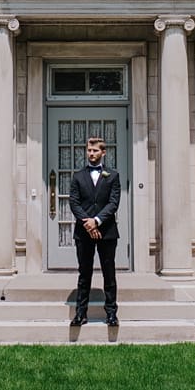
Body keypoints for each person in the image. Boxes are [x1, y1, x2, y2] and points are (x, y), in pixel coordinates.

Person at [69, 136, 121, 327]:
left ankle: (111, 314)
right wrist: (88, 224)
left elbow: (113, 203)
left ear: (103, 152)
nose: (91, 154)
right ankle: (81, 314)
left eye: (95, 151)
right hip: (84, 233)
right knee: (84, 273)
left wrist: (97, 221)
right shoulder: (77, 176)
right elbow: (74, 202)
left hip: (107, 232)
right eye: (89, 151)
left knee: (109, 273)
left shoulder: (113, 176)